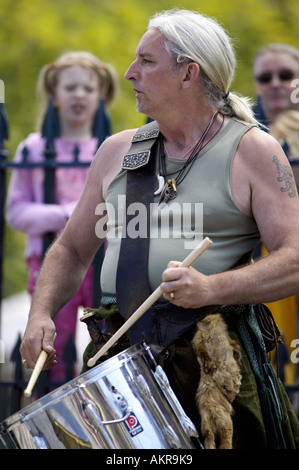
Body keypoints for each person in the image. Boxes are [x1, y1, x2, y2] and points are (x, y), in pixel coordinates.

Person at [19, 10, 299, 448]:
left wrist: (211, 288)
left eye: (146, 62)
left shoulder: (252, 150)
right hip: (117, 364)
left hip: (213, 372)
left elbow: (295, 260)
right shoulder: (116, 151)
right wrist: (40, 315)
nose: (129, 74)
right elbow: (72, 250)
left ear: (189, 73)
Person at [7, 51, 118, 386]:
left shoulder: (110, 148)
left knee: (107, 343)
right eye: (70, 87)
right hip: (48, 262)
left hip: (103, 261)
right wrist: (68, 214)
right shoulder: (34, 149)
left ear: (101, 94)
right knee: (52, 347)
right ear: (54, 95)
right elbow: (16, 212)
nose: (79, 95)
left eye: (87, 88)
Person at [253, 44, 299, 395]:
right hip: (270, 256)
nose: (276, 84)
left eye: (286, 75)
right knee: (278, 359)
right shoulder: (248, 137)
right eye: (265, 78)